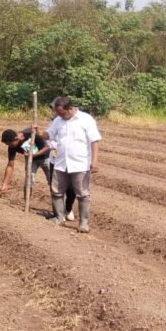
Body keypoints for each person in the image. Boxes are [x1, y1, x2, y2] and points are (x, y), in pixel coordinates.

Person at [34, 96, 101, 233]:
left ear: (70, 108)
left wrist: (94, 161)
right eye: (57, 114)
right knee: (56, 191)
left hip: (80, 163)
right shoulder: (58, 120)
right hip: (60, 163)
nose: (59, 116)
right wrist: (39, 132)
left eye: (62, 113)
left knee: (82, 193)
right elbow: (49, 135)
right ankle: (59, 217)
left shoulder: (86, 119)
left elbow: (94, 141)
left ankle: (83, 223)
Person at [0, 128, 51, 194]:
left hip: (46, 156)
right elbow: (10, 165)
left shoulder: (31, 134)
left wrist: (35, 154)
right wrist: (5, 184)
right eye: (8, 144)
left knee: (52, 181)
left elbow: (47, 146)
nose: (9, 146)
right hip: (31, 159)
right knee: (28, 182)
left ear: (16, 138)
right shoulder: (12, 147)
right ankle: (27, 203)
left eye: (10, 144)